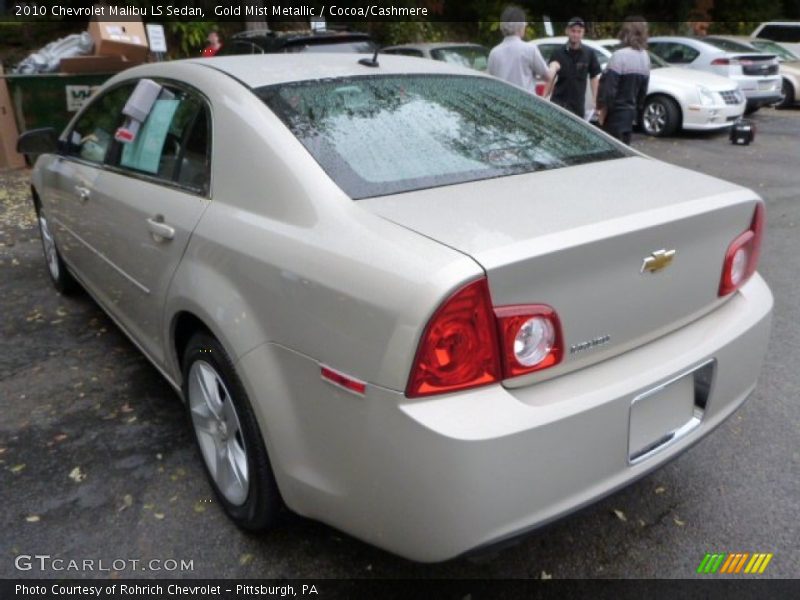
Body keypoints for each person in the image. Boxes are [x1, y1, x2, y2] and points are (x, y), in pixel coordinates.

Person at [597, 17, 650, 144]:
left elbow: (609, 89)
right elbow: (643, 91)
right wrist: (637, 110)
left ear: (625, 34)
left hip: (614, 115)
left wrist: (602, 110)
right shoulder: (645, 57)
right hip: (629, 116)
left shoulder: (619, 56)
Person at [543, 17, 602, 119]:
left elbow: (594, 77)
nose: (576, 34)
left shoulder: (589, 54)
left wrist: (595, 101)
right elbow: (550, 78)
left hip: (577, 107)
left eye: (579, 32)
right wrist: (543, 97)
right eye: (573, 31)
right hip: (558, 104)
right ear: (567, 31)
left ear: (583, 33)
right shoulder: (558, 53)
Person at [488, 6, 553, 92]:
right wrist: (554, 66)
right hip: (524, 99)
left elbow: (490, 81)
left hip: (501, 99)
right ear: (520, 27)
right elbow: (547, 76)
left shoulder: (494, 53)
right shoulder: (529, 49)